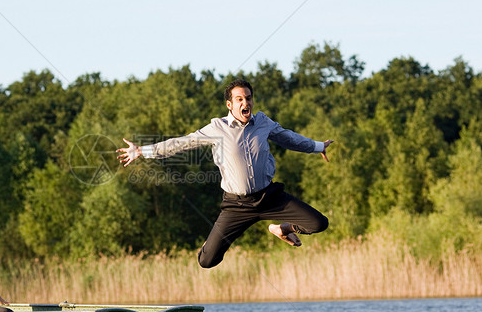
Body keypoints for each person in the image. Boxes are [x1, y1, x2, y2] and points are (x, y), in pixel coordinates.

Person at [117, 78, 333, 269]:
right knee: (207, 261)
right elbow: (180, 144)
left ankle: (281, 229)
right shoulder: (216, 129)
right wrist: (141, 151)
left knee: (318, 223)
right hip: (236, 206)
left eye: (248, 98)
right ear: (230, 105)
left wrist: (316, 146)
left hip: (269, 197)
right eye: (239, 99)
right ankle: (211, 242)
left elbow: (288, 138)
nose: (245, 103)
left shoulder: (263, 123)